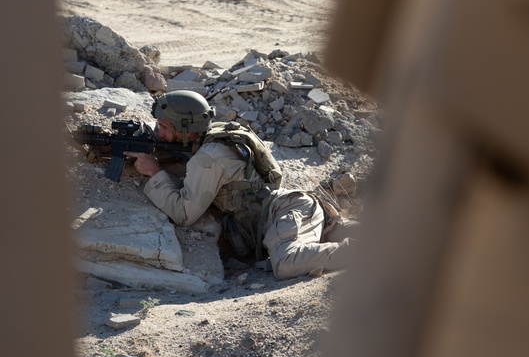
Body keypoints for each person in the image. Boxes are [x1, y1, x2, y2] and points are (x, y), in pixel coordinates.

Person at [125, 90, 357, 280]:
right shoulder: (209, 140)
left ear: (184, 127)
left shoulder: (210, 157)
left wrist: (155, 173)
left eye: (164, 127)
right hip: (294, 211)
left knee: (286, 263)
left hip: (286, 212)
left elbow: (185, 214)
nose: (160, 133)